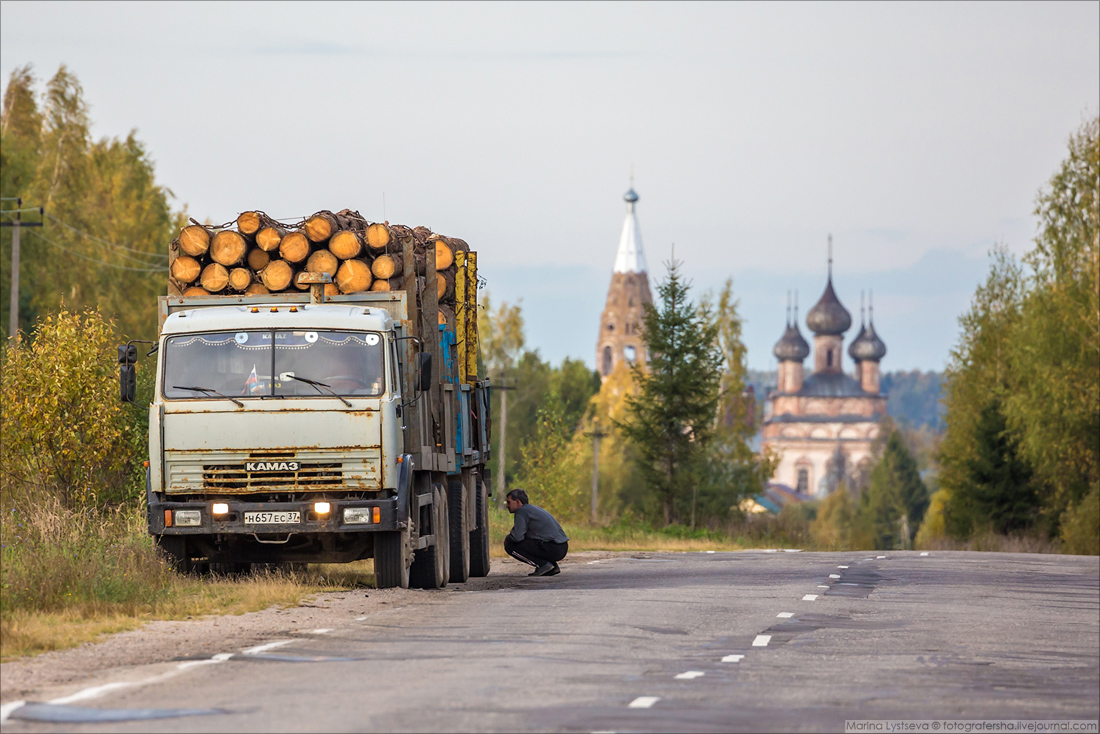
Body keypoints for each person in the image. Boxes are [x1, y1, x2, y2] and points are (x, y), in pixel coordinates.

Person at [504, 488, 569, 577]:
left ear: (518, 502)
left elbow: (517, 537)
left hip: (553, 548)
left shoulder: (521, 511)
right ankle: (552, 566)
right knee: (527, 541)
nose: (507, 506)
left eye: (509, 502)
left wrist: (507, 538)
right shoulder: (532, 509)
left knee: (510, 545)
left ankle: (543, 565)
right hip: (561, 547)